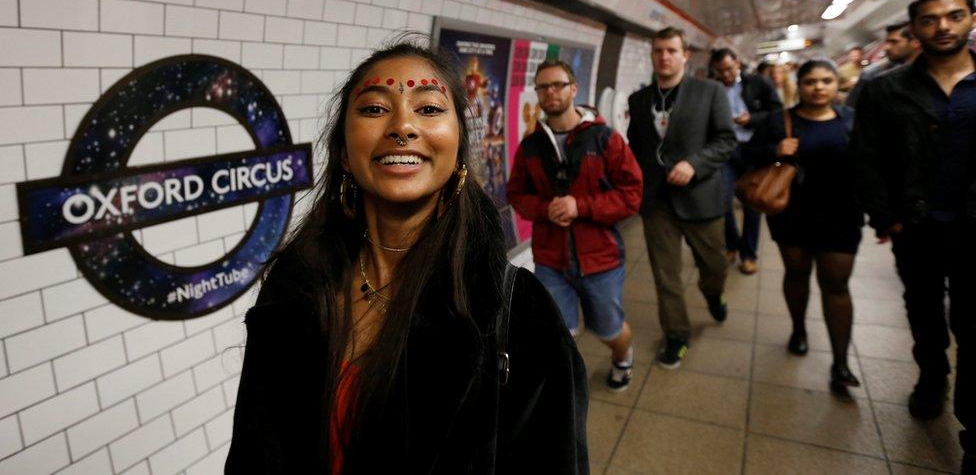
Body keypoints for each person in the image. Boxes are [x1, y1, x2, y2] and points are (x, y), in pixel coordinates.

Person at [226, 39, 589, 474]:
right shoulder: (296, 282)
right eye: (375, 109)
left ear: (458, 150)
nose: (403, 125)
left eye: (430, 109)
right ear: (344, 151)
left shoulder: (520, 314)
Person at [853, 0, 976, 475]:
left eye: (953, 15)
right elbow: (866, 158)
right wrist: (886, 217)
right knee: (924, 310)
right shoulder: (886, 89)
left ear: (970, 19)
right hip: (918, 227)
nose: (942, 26)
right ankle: (931, 375)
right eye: (929, 19)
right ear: (915, 27)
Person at [508, 59, 643, 392]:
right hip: (551, 260)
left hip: (600, 259)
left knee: (609, 330)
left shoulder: (604, 139)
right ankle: (565, 387)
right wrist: (545, 208)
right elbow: (516, 193)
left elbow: (632, 195)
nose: (550, 92)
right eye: (543, 87)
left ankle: (623, 357)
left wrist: (580, 206)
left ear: (573, 89)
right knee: (558, 333)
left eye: (558, 85)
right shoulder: (532, 145)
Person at [745, 60, 862, 392]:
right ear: (800, 85)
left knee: (837, 284)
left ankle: (840, 363)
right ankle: (798, 328)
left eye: (827, 80)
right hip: (791, 213)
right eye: (811, 81)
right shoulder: (778, 121)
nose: (819, 87)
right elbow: (745, 155)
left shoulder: (851, 122)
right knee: (796, 274)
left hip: (841, 215)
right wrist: (774, 149)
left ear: (836, 84)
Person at [627, 27, 737, 369]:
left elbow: (725, 140)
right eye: (658, 50)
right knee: (666, 274)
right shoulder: (639, 100)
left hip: (700, 196)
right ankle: (677, 334)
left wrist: (694, 163)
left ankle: (713, 292)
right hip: (658, 202)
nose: (664, 56)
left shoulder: (710, 92)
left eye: (671, 50)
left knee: (714, 265)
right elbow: (637, 148)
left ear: (685, 55)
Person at [709, 48, 783, 274]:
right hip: (726, 151)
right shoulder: (712, 89)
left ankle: (748, 254)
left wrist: (751, 119)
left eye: (729, 69)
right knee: (722, 202)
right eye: (721, 71)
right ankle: (732, 243)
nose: (726, 75)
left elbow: (776, 111)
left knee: (752, 205)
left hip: (754, 150)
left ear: (738, 63)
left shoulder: (758, 83)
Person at [847, 21, 922, 108]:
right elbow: (851, 108)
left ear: (915, 43)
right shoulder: (873, 76)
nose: (887, 47)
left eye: (894, 42)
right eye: (887, 42)